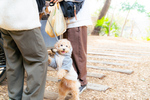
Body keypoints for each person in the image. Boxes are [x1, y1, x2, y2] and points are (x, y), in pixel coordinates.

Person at [0, 0, 48, 100]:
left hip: (4, 17)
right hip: (23, 17)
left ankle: (13, 98)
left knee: (14, 62)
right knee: (38, 60)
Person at [50, 0, 92, 93]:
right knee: (68, 54)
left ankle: (82, 82)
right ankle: (71, 79)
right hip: (66, 21)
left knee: (78, 53)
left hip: (77, 21)